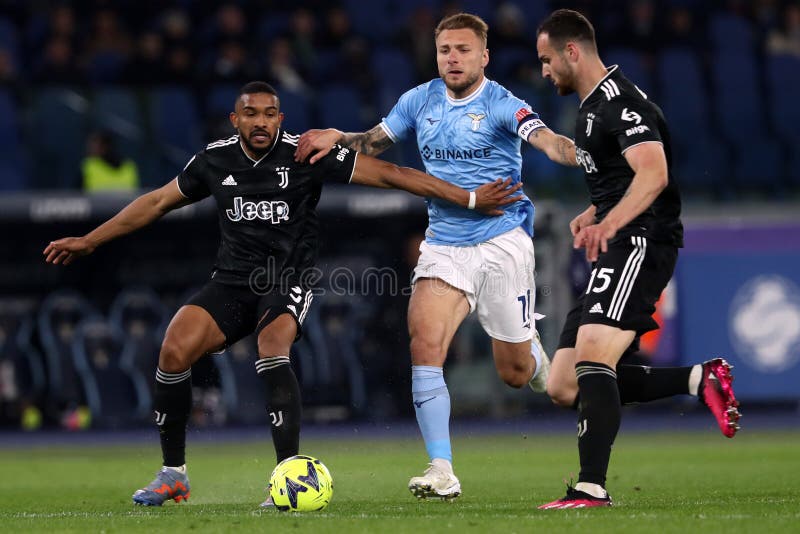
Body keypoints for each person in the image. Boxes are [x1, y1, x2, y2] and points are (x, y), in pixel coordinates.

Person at [43, 81, 522, 507]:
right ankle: (174, 474)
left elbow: (392, 175)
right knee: (173, 350)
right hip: (232, 281)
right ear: (236, 119)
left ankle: (288, 472)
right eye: (251, 113)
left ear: (280, 119)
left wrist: (471, 198)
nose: (261, 122)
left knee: (271, 346)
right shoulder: (215, 159)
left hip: (287, 278)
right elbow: (154, 203)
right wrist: (88, 240)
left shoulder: (305, 155)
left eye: (270, 114)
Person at [295, 13, 578, 500]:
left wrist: (575, 151)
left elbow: (545, 138)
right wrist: (337, 137)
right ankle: (441, 468)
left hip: (502, 242)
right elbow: (373, 142)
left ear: (484, 57)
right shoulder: (418, 100)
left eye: (464, 50)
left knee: (514, 375)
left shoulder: (503, 104)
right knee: (424, 342)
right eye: (446, 49)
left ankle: (531, 352)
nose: (453, 57)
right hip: (444, 244)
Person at [534, 9, 739, 509]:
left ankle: (590, 487)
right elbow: (619, 180)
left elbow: (653, 174)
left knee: (593, 356)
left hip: (642, 240)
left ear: (572, 51)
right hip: (619, 236)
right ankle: (699, 378)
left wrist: (610, 223)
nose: (544, 71)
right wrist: (593, 213)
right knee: (563, 383)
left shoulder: (619, 103)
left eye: (546, 60)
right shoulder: (588, 108)